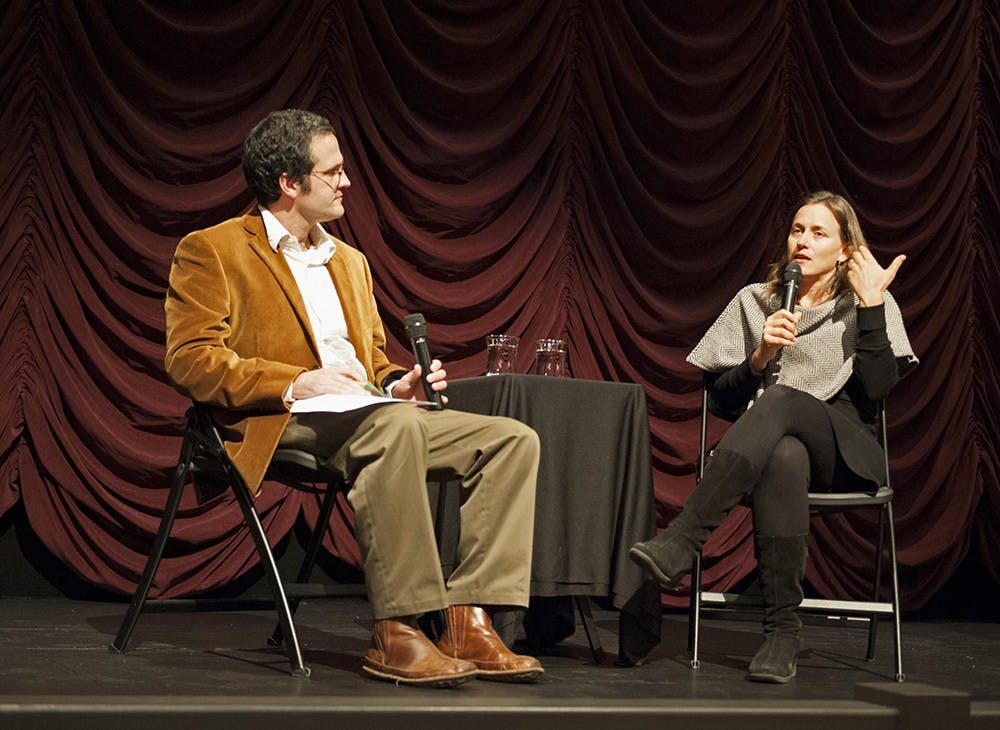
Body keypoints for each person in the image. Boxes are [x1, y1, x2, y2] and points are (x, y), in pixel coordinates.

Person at [164, 109, 543, 687]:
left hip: (369, 413)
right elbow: (190, 358)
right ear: (290, 183)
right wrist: (294, 380)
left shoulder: (350, 261)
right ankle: (399, 627)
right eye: (333, 172)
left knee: (511, 440)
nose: (346, 182)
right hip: (282, 417)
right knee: (397, 430)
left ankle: (468, 617)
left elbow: (372, 360)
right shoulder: (213, 250)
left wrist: (398, 384)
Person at [630, 190, 918, 683]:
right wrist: (759, 358)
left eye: (819, 232)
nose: (803, 241)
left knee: (780, 399)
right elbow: (719, 401)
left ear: (846, 249)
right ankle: (782, 632)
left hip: (845, 451)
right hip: (770, 452)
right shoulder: (756, 301)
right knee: (782, 452)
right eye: (797, 230)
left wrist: (871, 306)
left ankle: (681, 540)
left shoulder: (870, 302)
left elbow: (878, 388)